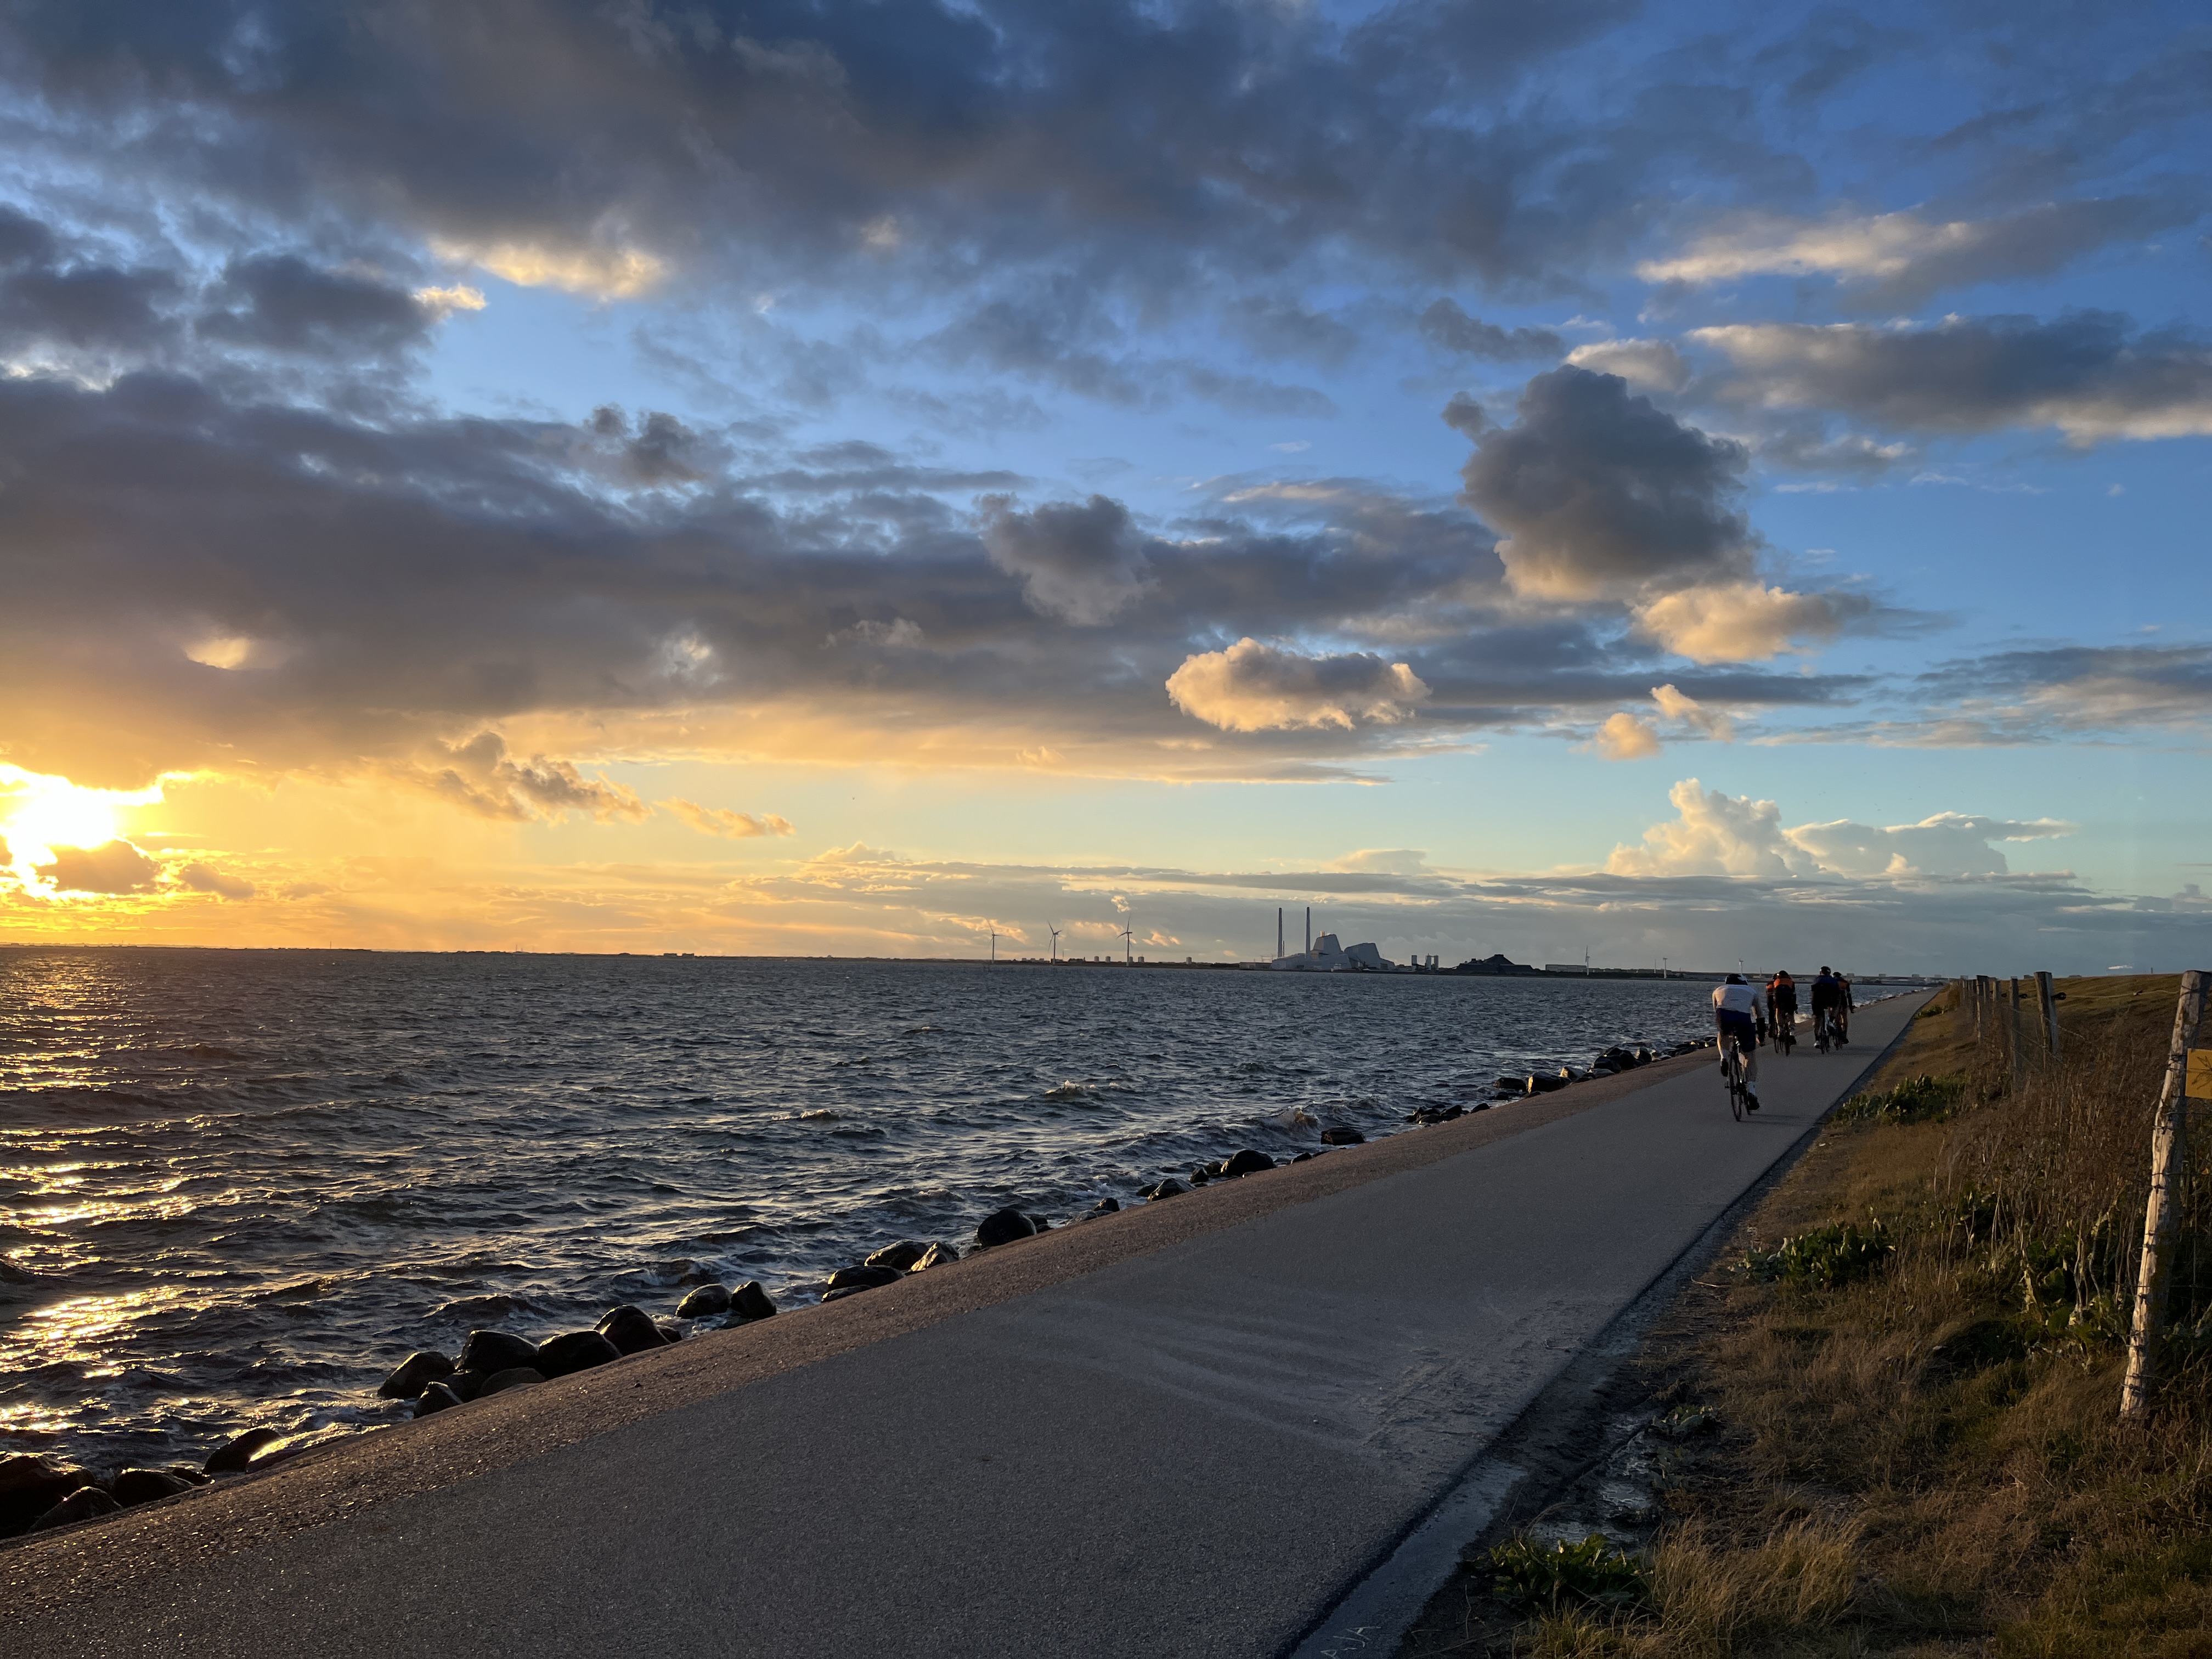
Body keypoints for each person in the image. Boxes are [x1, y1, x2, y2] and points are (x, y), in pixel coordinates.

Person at [1711, 973, 1762, 1108]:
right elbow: (1759, 1015)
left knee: (1723, 1033)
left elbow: (1716, 1009)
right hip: (1743, 1020)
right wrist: (1761, 1035)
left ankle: (1724, 1058)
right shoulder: (1751, 991)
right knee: (1750, 1055)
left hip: (1724, 1016)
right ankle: (1752, 1090)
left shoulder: (1718, 990)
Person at [1809, 966, 1843, 1048]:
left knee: (1817, 1019)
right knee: (1837, 1005)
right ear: (1829, 973)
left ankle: (1817, 1040)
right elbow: (1838, 993)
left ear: (1821, 972)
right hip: (1830, 1001)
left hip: (1817, 1002)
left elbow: (1812, 991)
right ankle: (1831, 1021)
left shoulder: (1816, 980)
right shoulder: (1833, 980)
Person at [1767, 969, 1798, 1052]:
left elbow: (1771, 994)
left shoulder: (1775, 982)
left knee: (1778, 1012)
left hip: (1779, 1001)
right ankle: (1792, 1032)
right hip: (1790, 1001)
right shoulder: (1791, 981)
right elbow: (1794, 994)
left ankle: (1780, 1030)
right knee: (1791, 1015)